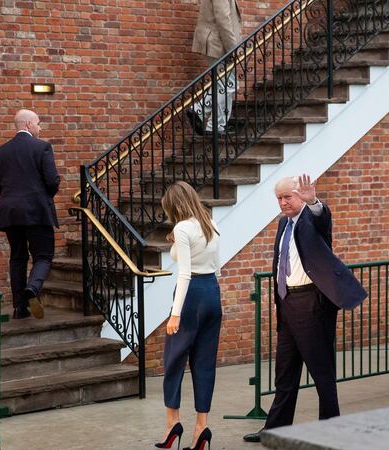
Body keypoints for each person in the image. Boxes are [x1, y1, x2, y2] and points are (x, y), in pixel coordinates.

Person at [243, 174, 367, 443]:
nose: (283, 202)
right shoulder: (282, 224)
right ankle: (274, 430)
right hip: (287, 305)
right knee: (285, 373)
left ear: (300, 195)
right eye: (279, 198)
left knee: (321, 371)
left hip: (311, 304)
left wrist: (314, 202)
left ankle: (330, 431)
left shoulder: (313, 218)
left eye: (288, 196)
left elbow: (323, 218)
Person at [155, 181, 222, 450]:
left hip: (191, 294)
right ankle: (201, 428)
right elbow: (217, 266)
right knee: (204, 363)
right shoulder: (210, 223)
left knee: (173, 359)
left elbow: (183, 273)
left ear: (174, 205)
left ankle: (173, 423)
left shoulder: (183, 228)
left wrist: (175, 313)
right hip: (212, 292)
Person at [0, 109, 60, 320]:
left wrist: (14, 197)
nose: (40, 127)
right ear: (28, 124)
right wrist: (39, 197)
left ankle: (20, 308)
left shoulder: (0, 152)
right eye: (38, 123)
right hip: (36, 210)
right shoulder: (42, 147)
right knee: (44, 255)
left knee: (17, 257)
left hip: (10, 212)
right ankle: (33, 288)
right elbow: (52, 181)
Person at [186, 0, 242, 136]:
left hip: (216, 44)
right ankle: (214, 124)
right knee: (229, 84)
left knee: (223, 84)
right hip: (217, 44)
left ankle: (203, 114)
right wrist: (232, 48)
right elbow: (223, 19)